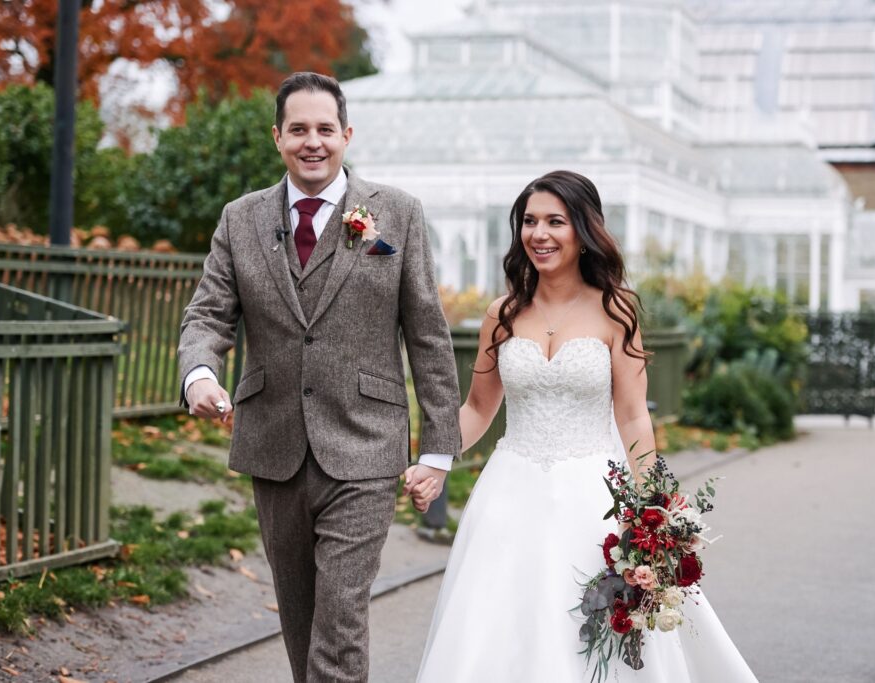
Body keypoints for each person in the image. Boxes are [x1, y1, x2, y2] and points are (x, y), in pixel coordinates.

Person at [417, 171, 757, 682]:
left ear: (583, 231)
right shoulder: (502, 313)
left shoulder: (615, 311)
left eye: (556, 221)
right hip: (508, 496)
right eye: (530, 222)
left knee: (591, 631)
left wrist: (650, 509)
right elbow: (477, 409)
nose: (540, 234)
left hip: (593, 498)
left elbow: (633, 414)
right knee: (496, 627)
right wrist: (433, 460)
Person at [178, 72, 461, 683]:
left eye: (325, 129)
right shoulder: (240, 219)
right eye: (298, 129)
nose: (313, 142)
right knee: (301, 621)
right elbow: (208, 313)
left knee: (339, 623)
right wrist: (200, 373)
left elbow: (429, 335)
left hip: (366, 446)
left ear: (347, 135)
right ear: (277, 137)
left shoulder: (397, 215)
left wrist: (438, 451)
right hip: (273, 444)